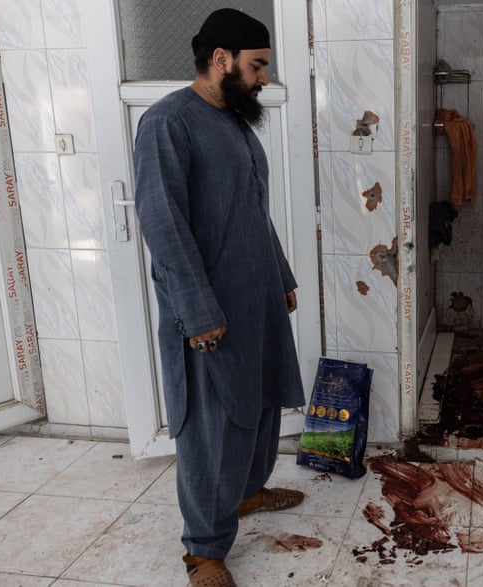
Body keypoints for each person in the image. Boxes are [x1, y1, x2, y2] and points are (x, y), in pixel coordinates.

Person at [133, 8, 306, 587]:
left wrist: (280, 276)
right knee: (212, 423)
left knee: (258, 405)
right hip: (209, 307)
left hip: (254, 295)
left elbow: (253, 212)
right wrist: (197, 310)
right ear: (221, 59)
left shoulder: (232, 119)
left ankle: (245, 493)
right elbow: (163, 224)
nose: (263, 79)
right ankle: (203, 550)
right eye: (257, 66)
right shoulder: (168, 123)